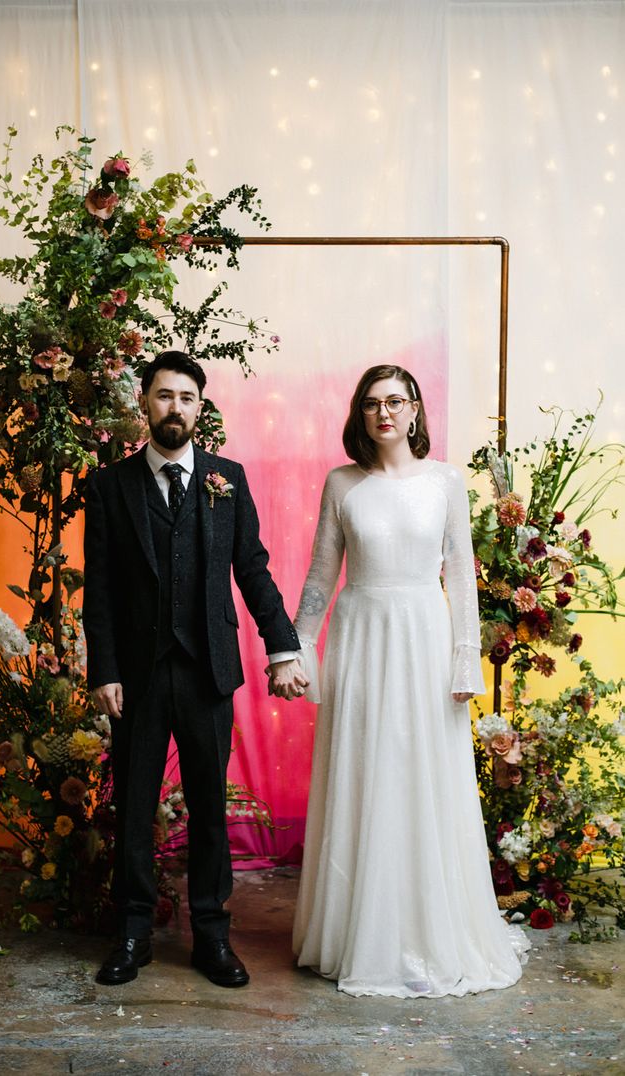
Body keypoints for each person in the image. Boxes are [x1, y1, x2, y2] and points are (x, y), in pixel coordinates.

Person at [291, 364, 529, 998]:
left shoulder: (447, 482)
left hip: (425, 638)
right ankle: (354, 934)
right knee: (365, 773)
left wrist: (464, 659)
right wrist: (296, 652)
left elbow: (462, 578)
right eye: (372, 404)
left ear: (417, 409)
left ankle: (427, 931)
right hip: (362, 638)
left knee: (423, 776)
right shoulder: (342, 483)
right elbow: (319, 578)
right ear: (360, 415)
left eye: (396, 401)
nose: (384, 413)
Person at [84, 350, 307, 987]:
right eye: (162, 395)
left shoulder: (226, 479)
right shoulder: (109, 486)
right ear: (143, 404)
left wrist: (282, 646)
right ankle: (132, 932)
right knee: (134, 807)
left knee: (211, 808)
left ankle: (212, 936)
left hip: (209, 670)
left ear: (200, 407)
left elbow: (254, 572)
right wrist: (104, 669)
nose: (174, 407)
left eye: (186, 396)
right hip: (136, 675)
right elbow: (97, 589)